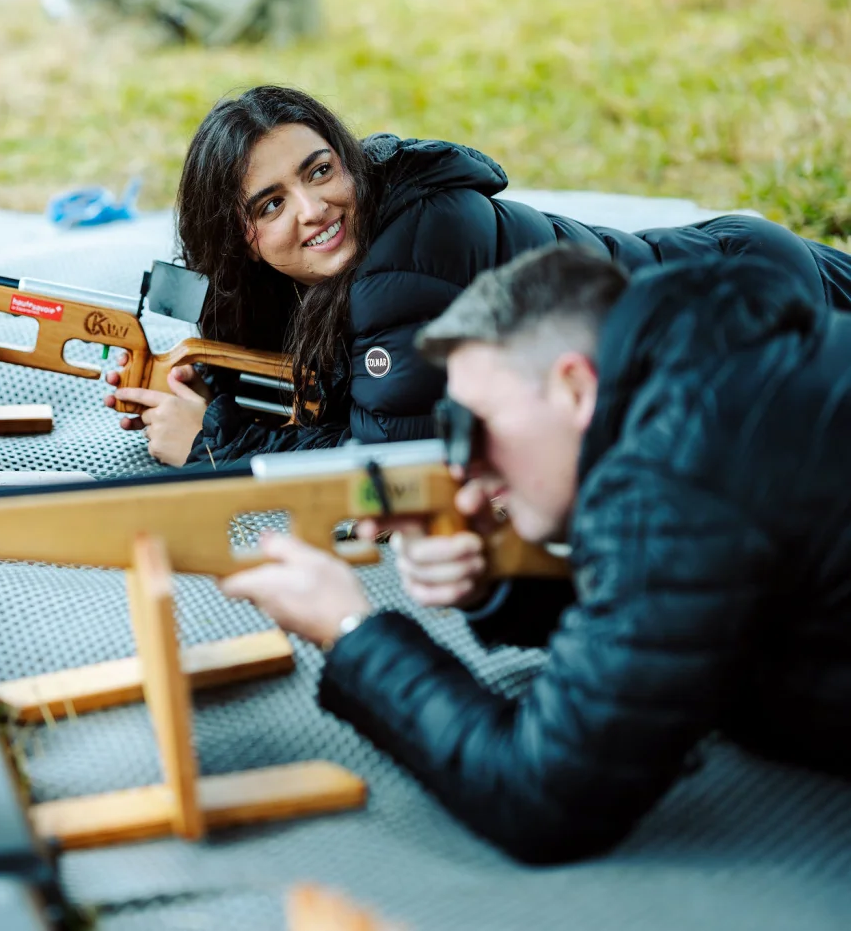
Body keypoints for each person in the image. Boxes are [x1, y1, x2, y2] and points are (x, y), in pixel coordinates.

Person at [216, 244, 851, 864]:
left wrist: (352, 630)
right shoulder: (724, 365)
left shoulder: (676, 473)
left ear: (574, 387)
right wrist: (500, 583)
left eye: (480, 423)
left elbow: (541, 793)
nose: (468, 465)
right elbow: (694, 607)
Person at [104, 85, 851, 468]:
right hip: (720, 268)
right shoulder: (324, 268)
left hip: (740, 315)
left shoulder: (407, 255)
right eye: (271, 203)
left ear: (346, 155)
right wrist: (202, 384)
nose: (314, 208)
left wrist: (218, 442)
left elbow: (394, 464)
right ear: (239, 237)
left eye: (321, 170)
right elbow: (329, 392)